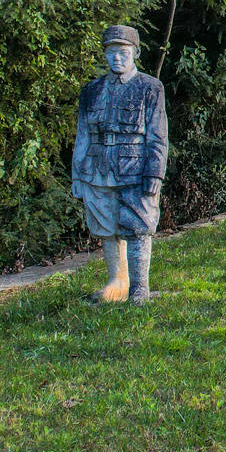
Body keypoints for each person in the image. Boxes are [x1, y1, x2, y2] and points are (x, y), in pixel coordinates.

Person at [72, 25, 169, 305]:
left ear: (135, 53)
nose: (117, 57)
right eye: (111, 51)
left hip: (135, 168)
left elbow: (158, 134)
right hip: (97, 168)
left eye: (123, 51)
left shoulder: (150, 87)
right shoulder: (90, 90)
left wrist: (155, 172)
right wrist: (78, 173)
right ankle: (117, 283)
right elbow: (83, 135)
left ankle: (140, 289)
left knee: (139, 227)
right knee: (107, 226)